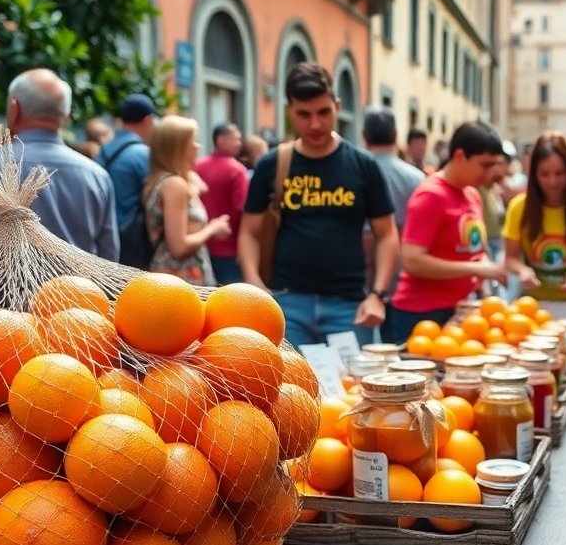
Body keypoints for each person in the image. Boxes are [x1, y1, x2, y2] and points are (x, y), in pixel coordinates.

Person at [238, 63, 397, 346]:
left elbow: (386, 234)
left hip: (349, 306)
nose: (315, 124)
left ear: (337, 106)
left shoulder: (363, 165)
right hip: (286, 302)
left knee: (350, 388)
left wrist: (378, 295)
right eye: (304, 114)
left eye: (324, 112)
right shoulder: (272, 164)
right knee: (289, 388)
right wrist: (253, 281)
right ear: (290, 112)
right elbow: (249, 230)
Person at [0, 69, 118, 261]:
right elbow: (108, 257)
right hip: (80, 291)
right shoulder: (97, 176)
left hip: (1, 291)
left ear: (14, 108)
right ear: (66, 116)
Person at [388, 122, 507, 341]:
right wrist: (476, 269)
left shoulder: (472, 194)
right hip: (422, 313)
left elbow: (475, 251)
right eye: (485, 164)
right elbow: (412, 261)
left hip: (460, 310)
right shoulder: (431, 195)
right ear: (460, 155)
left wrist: (486, 274)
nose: (492, 172)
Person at [501, 133, 566, 325]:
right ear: (534, 175)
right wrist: (523, 270)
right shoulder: (519, 207)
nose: (552, 182)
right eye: (545, 174)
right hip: (533, 305)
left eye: (560, 173)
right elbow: (510, 258)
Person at [142, 116, 229, 285]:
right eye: (193, 140)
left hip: (174, 280)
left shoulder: (165, 180)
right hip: (181, 282)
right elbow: (179, 247)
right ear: (178, 147)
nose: (198, 146)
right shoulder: (175, 185)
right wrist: (212, 229)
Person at [362, 106, 425, 341]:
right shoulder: (416, 177)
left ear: (365, 136)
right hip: (402, 268)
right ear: (396, 136)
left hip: (363, 269)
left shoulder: (358, 171)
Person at [98, 93, 157, 267]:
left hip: (104, 240)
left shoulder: (102, 152)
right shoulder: (143, 155)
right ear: (147, 120)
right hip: (133, 245)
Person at [195, 123, 250, 284]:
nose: (239, 143)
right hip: (229, 250)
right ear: (221, 140)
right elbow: (242, 209)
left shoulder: (197, 166)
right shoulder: (237, 170)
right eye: (235, 139)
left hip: (200, 246)